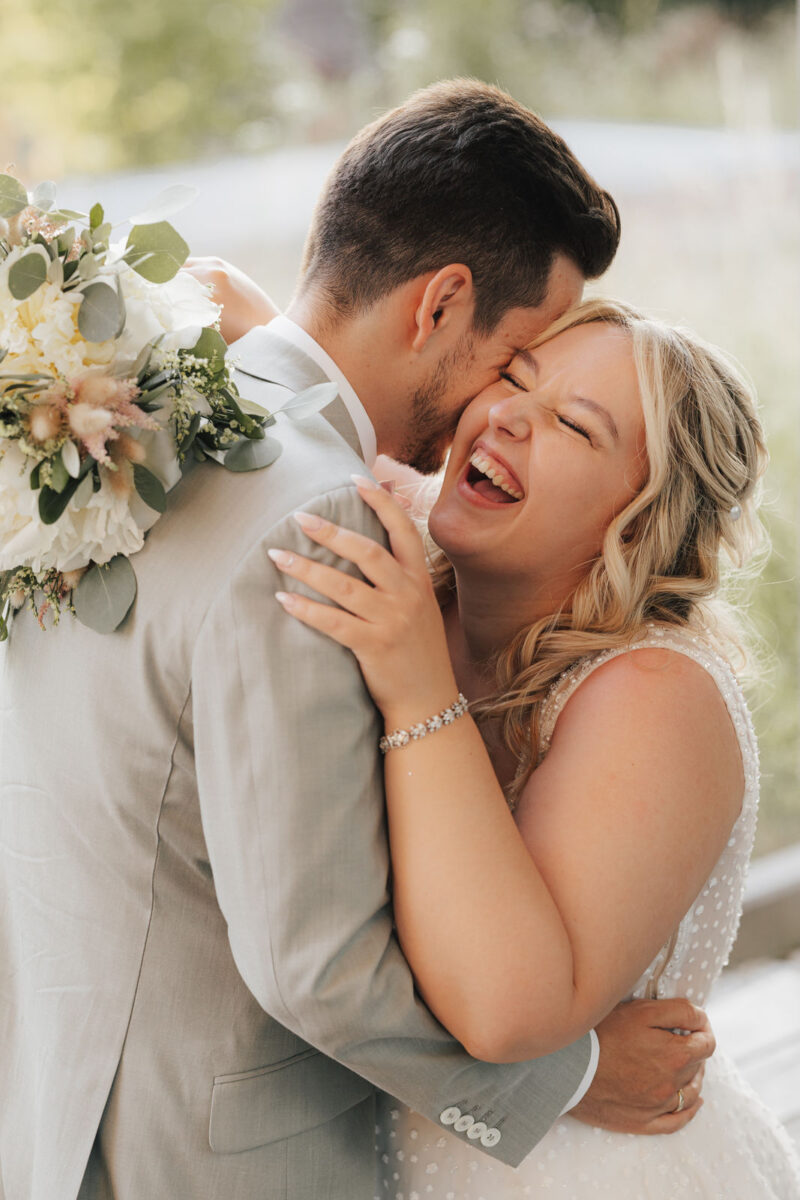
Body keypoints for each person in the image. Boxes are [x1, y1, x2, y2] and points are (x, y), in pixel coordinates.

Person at [0, 83, 713, 1200]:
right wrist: (564, 1081)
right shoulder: (311, 515)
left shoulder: (128, 416)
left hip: (52, 1106)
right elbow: (314, 965)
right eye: (514, 360)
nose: (495, 410)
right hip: (203, 1160)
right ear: (440, 306)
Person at [269, 297, 800, 1197]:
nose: (508, 415)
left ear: (639, 516)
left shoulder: (656, 697)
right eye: (515, 380)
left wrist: (415, 686)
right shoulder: (410, 581)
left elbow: (507, 1010)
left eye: (573, 425)